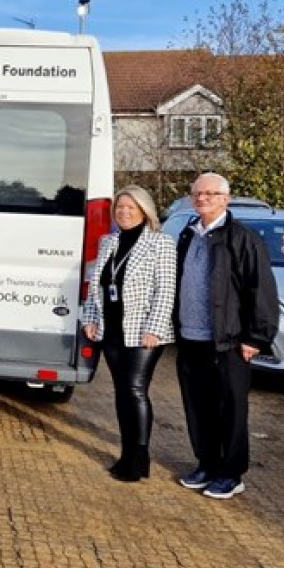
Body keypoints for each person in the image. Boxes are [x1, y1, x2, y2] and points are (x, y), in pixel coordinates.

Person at [174, 172, 279, 500]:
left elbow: (260, 289)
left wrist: (255, 337)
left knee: (231, 408)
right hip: (191, 338)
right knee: (198, 406)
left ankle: (231, 473)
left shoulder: (243, 238)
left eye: (210, 194)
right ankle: (206, 463)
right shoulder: (188, 235)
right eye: (197, 194)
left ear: (225, 199)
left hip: (229, 341)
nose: (202, 199)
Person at [82, 185, 176, 482]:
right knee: (122, 393)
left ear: (144, 211)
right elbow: (96, 285)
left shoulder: (160, 243)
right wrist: (90, 318)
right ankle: (128, 454)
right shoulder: (108, 241)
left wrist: (155, 328)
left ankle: (138, 458)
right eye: (120, 208)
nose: (124, 212)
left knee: (135, 390)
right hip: (111, 330)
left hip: (142, 332)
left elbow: (166, 289)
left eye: (130, 208)